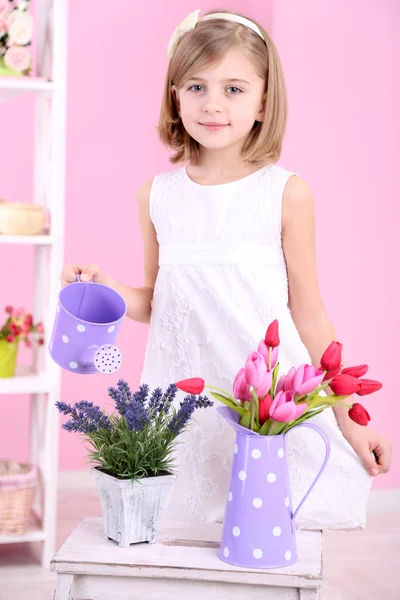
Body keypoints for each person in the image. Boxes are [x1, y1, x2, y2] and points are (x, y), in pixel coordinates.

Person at [61, 9, 391, 528]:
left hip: (263, 411)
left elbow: (311, 316)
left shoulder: (285, 194)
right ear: (175, 96)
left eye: (234, 89)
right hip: (184, 401)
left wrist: (350, 420)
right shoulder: (157, 196)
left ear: (264, 101)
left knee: (262, 536)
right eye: (196, 86)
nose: (213, 104)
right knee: (177, 537)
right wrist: (106, 288)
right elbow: (159, 299)